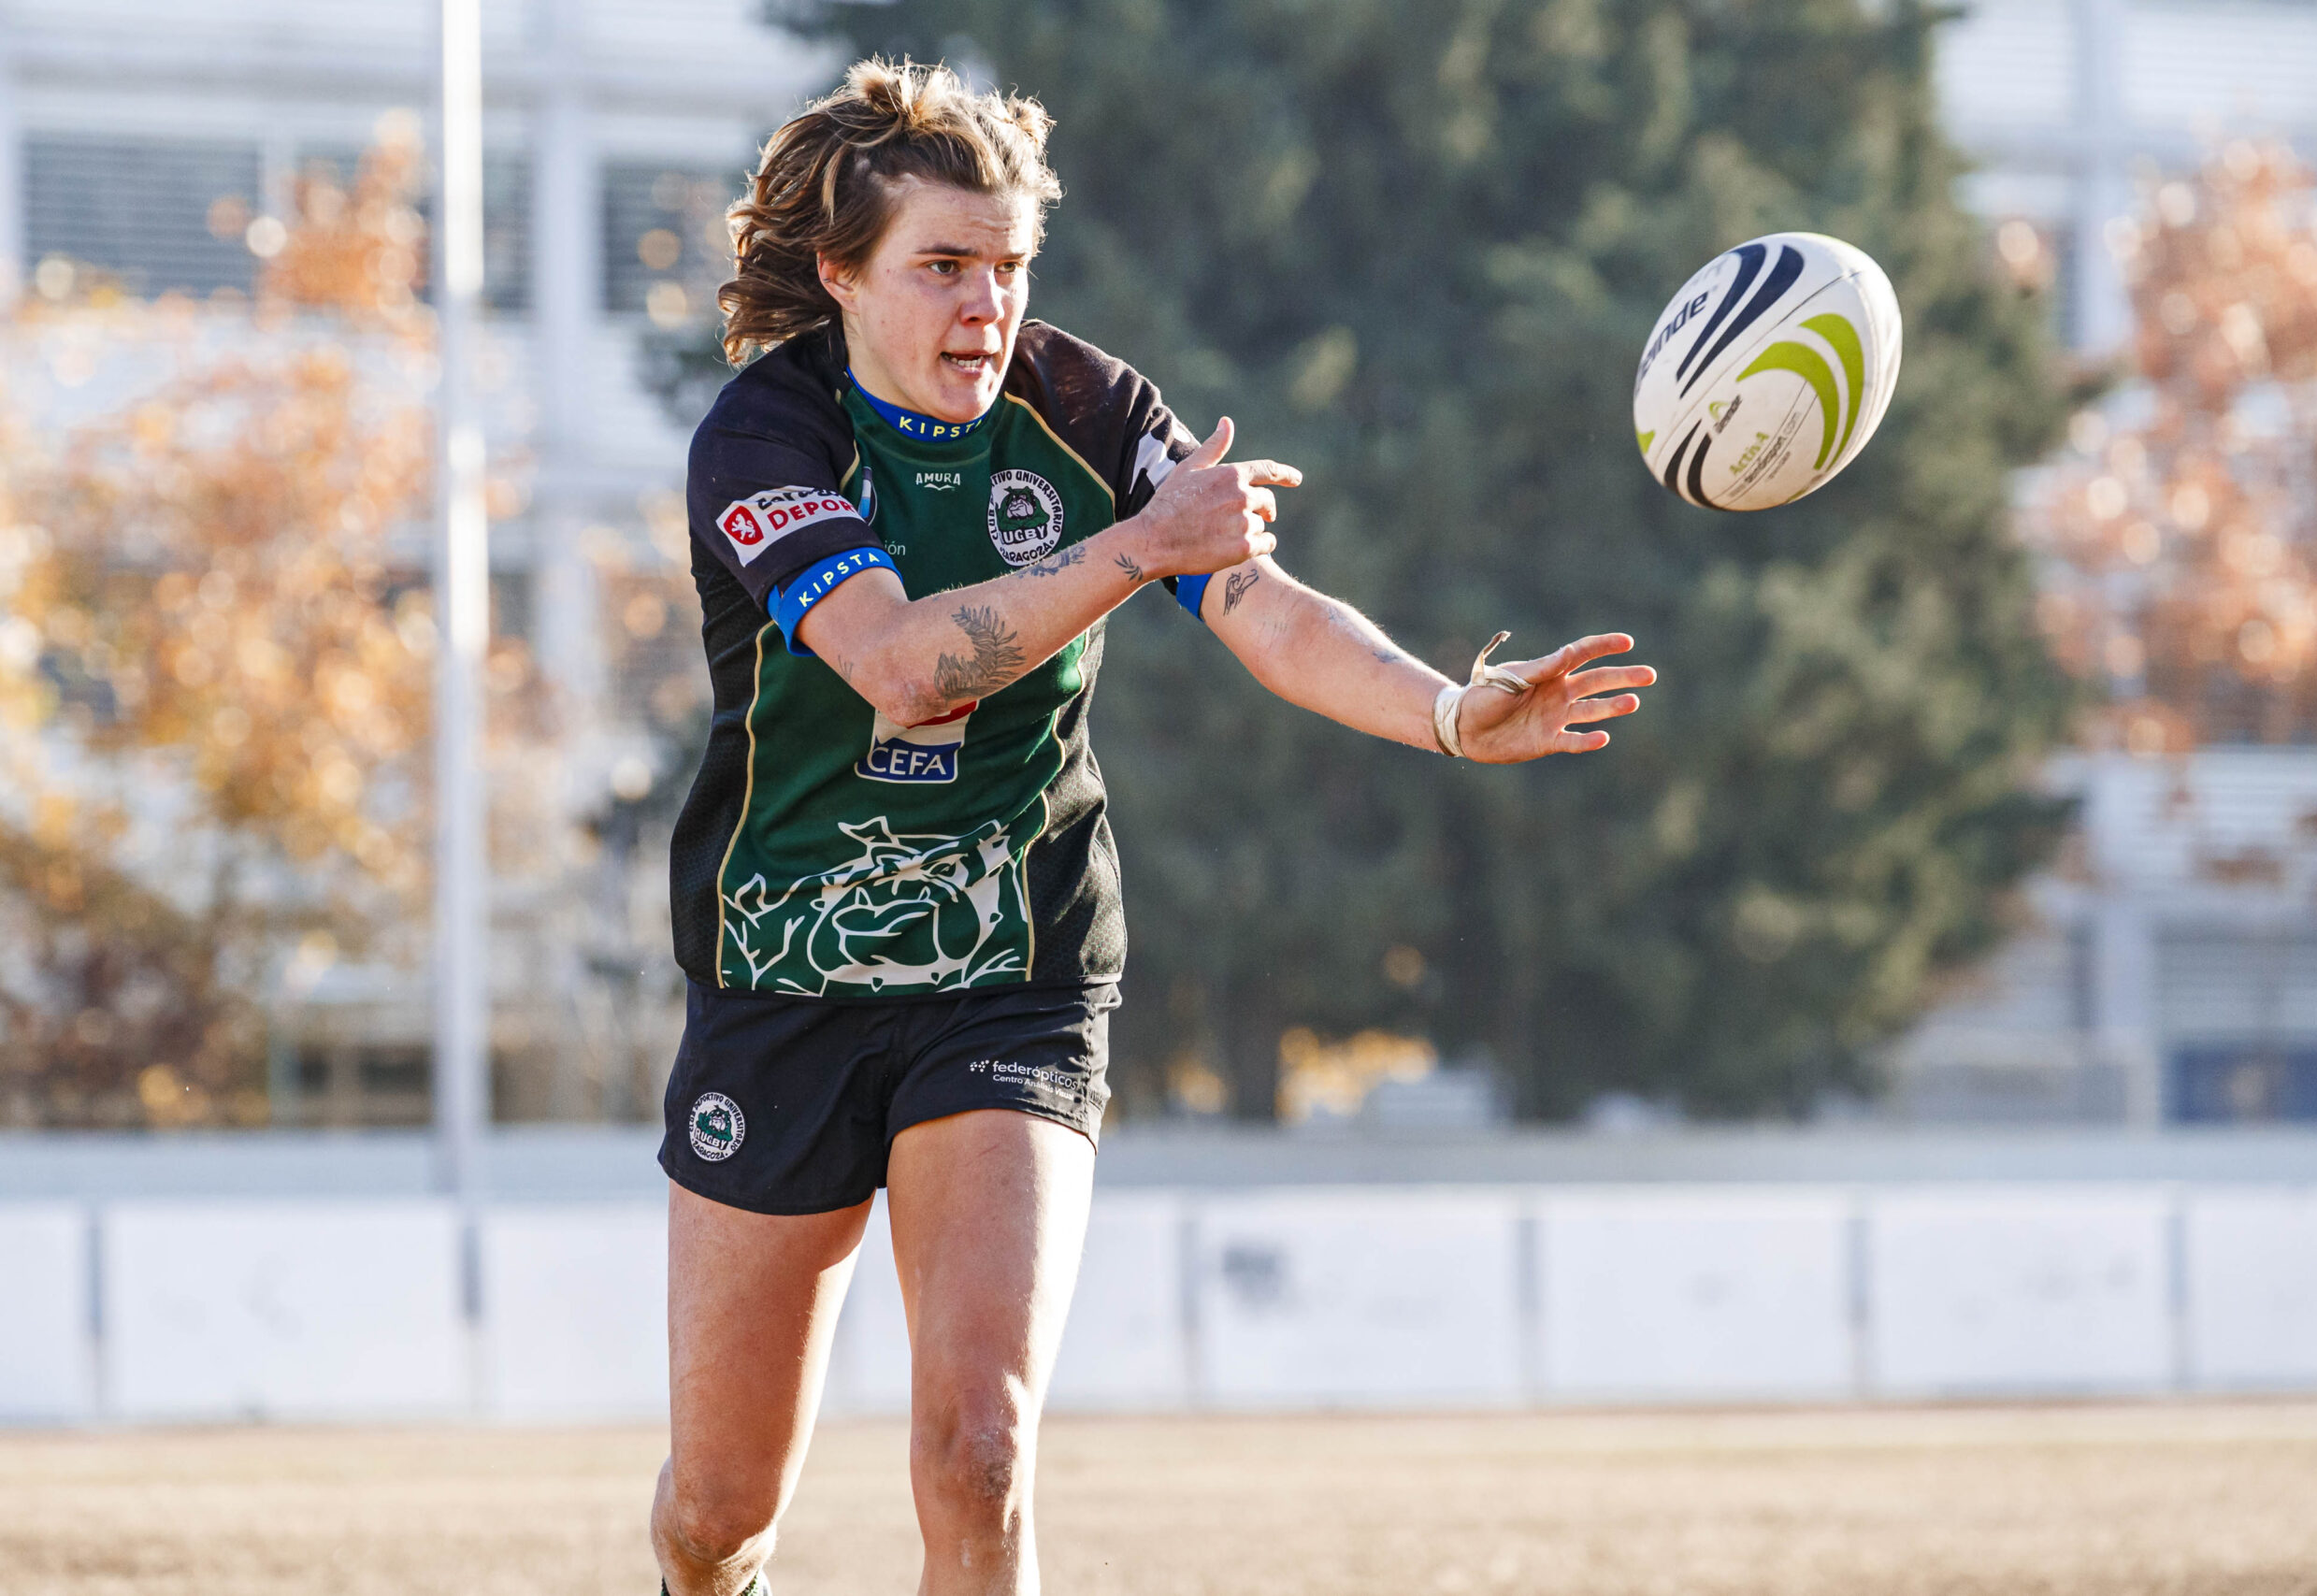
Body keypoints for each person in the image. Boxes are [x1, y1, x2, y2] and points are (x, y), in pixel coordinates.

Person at [651, 57, 1655, 1596]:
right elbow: (905, 667)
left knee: (978, 1452)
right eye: (941, 267)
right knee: (719, 1511)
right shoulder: (765, 436)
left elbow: (1263, 608)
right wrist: (1137, 547)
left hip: (1014, 973)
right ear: (841, 274)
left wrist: (1449, 712)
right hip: (781, 983)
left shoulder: (1086, 407)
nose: (986, 304)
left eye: (1008, 267)